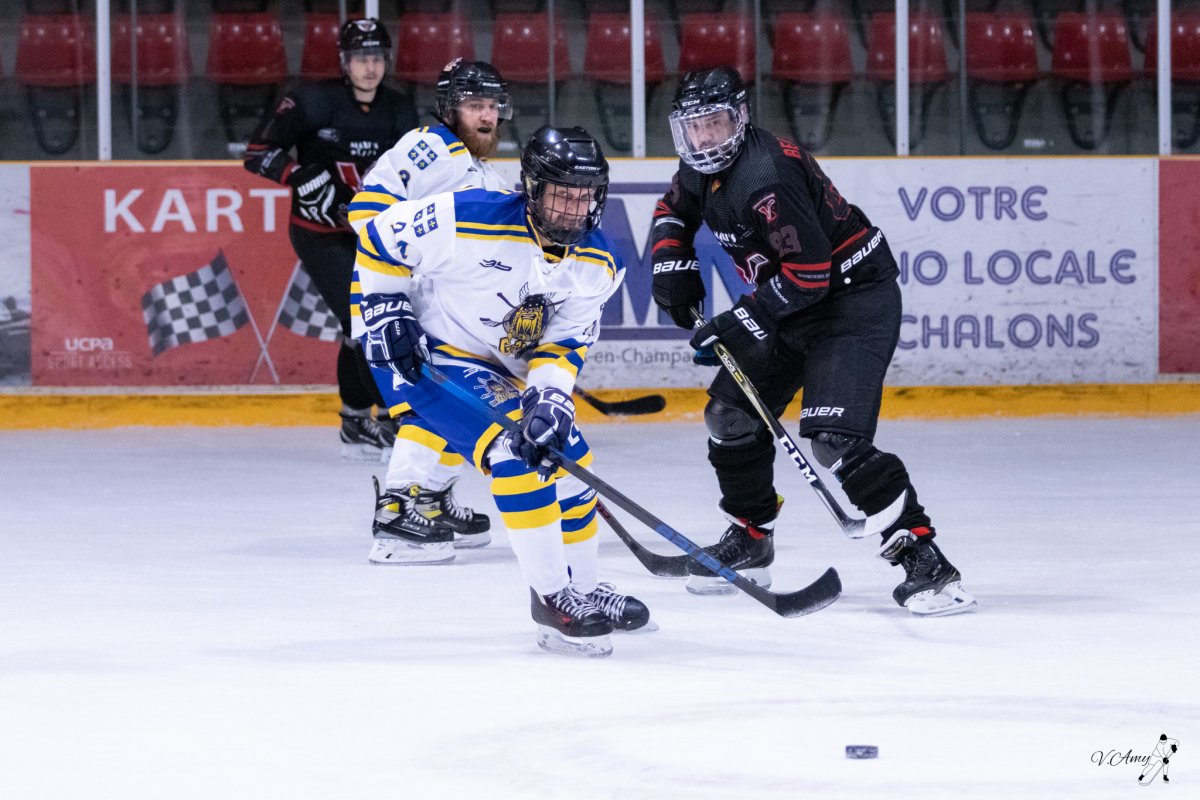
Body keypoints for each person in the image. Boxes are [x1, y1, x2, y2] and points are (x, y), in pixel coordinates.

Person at [650, 66, 976, 616]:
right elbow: (672, 211)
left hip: (851, 302)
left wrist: (740, 320)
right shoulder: (701, 167)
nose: (704, 139)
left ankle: (927, 563)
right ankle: (752, 539)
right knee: (729, 417)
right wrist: (670, 262)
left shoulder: (766, 175)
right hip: (791, 302)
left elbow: (809, 274)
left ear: (740, 117)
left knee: (833, 439)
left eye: (715, 124)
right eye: (694, 127)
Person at [349, 126, 653, 655]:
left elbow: (561, 346)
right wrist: (387, 308)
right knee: (516, 456)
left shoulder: (600, 263)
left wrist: (550, 398)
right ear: (532, 189)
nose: (574, 208)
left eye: (584, 195)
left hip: (495, 367)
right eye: (561, 194)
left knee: (570, 457)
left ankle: (583, 588)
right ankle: (552, 599)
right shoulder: (467, 216)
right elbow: (377, 236)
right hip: (426, 355)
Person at [347, 58, 511, 562]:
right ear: (448, 108)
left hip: (448, 317)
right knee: (432, 405)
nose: (487, 116)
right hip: (398, 309)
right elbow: (366, 212)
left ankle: (431, 498)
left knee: (468, 403)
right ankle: (397, 513)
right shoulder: (431, 147)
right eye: (475, 105)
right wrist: (398, 295)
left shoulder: (486, 173)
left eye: (492, 106)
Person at [244, 18, 417, 460]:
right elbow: (258, 153)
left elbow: (415, 173)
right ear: (344, 61)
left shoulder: (399, 109)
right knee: (365, 319)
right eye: (360, 58)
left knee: (359, 327)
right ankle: (392, 420)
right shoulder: (312, 101)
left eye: (376, 57)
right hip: (320, 234)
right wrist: (297, 173)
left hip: (375, 237)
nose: (369, 67)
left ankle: (356, 422)